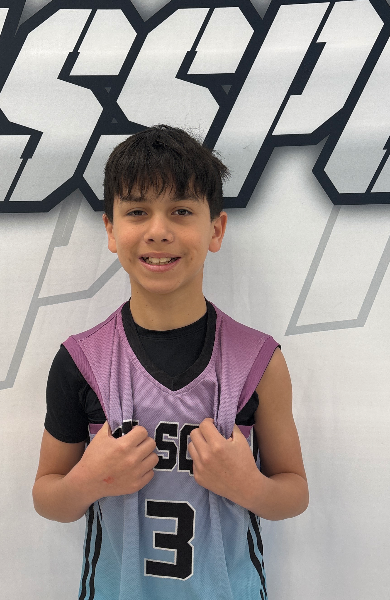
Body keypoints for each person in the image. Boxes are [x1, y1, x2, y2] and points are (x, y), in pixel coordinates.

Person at [32, 125, 308, 600]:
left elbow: (294, 493)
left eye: (181, 211)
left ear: (215, 229)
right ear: (111, 229)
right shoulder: (81, 360)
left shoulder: (259, 361)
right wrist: (87, 481)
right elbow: (48, 498)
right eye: (137, 211)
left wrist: (250, 487)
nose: (158, 231)